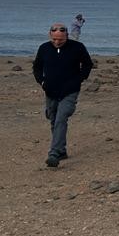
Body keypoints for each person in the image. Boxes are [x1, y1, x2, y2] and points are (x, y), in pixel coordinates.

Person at [32, 22, 93, 168]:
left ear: (67, 36)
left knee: (61, 118)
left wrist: (79, 79)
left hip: (70, 91)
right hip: (50, 91)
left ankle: (53, 154)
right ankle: (61, 150)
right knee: (53, 119)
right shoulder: (44, 48)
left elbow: (87, 64)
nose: (57, 42)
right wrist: (42, 82)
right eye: (54, 39)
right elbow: (37, 67)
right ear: (50, 35)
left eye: (61, 39)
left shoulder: (77, 47)